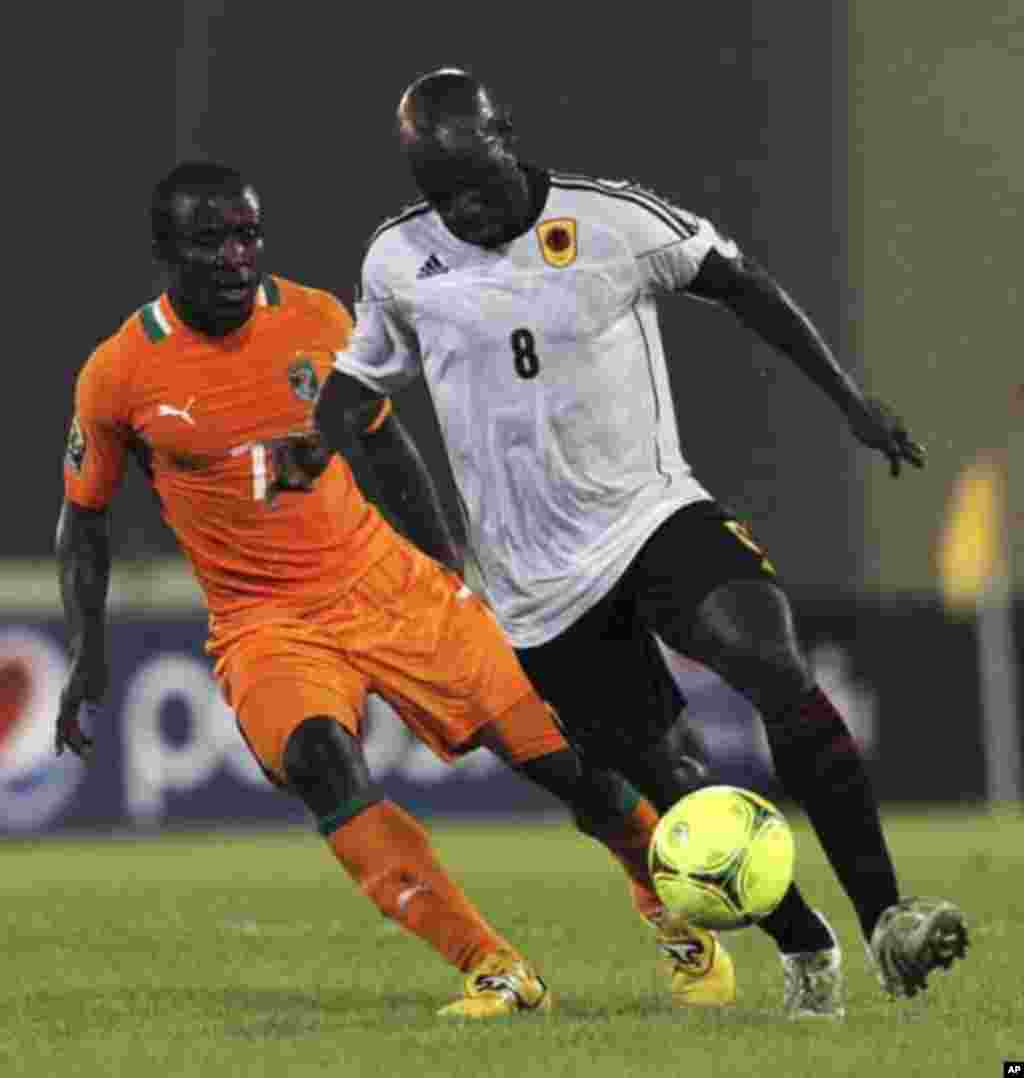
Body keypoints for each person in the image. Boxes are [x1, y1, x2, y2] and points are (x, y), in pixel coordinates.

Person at [312, 68, 969, 1017]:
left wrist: (850, 402)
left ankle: (887, 919)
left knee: (770, 662)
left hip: (654, 516)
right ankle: (806, 942)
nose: (466, 208)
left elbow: (746, 290)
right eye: (441, 192)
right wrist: (315, 439)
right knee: (674, 786)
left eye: (478, 180)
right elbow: (360, 384)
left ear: (509, 134)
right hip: (538, 590)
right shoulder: (396, 261)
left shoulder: (614, 222)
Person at [53, 160, 732, 1020]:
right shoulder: (118, 375)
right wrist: (86, 657)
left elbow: (384, 445)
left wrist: (446, 566)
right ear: (164, 252)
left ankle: (673, 914)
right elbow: (84, 522)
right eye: (210, 241)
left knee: (569, 764)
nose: (235, 257)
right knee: (319, 766)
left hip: (385, 583)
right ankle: (494, 968)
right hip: (265, 624)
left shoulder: (317, 319)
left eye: (247, 236)